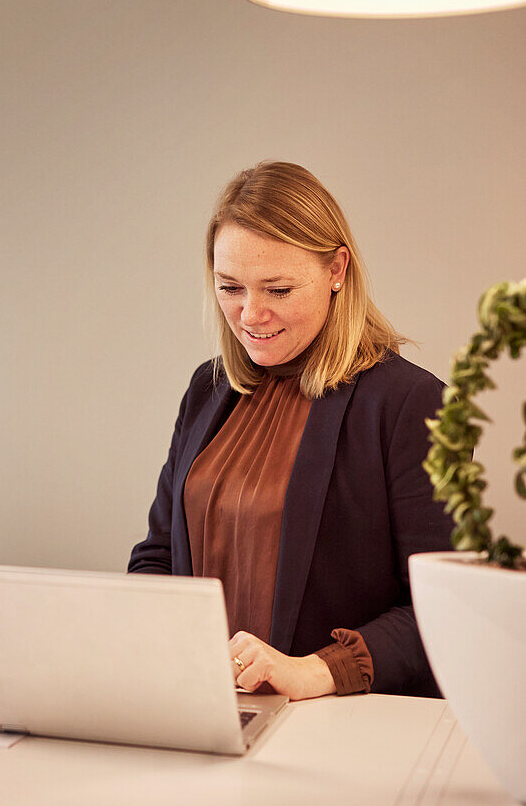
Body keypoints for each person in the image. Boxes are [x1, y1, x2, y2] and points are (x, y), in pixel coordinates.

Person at [128, 161, 454, 699]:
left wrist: (313, 671)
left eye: (277, 290)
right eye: (229, 287)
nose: (250, 314)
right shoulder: (207, 391)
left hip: (342, 725)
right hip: (201, 705)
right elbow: (159, 557)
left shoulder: (409, 404)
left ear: (337, 271)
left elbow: (443, 608)